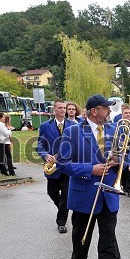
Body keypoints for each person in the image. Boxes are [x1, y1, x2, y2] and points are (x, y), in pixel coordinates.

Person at [58, 94, 128, 259]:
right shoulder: (72, 131)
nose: (109, 112)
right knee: (82, 236)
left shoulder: (112, 130)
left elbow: (125, 155)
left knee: (109, 241)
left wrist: (119, 160)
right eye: (106, 108)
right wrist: (91, 169)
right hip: (84, 195)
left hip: (108, 195)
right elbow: (62, 164)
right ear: (94, 111)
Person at [36, 100, 74, 233]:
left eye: (65, 108)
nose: (63, 110)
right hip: (52, 166)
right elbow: (40, 145)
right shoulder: (45, 126)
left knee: (65, 195)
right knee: (52, 193)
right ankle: (63, 208)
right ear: (54, 110)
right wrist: (45, 155)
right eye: (60, 108)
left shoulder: (73, 125)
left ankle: (61, 222)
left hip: (67, 167)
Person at [119, 105, 130, 198]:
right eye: (126, 113)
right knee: (123, 170)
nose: (128, 114)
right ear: (122, 114)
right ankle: (124, 187)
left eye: (129, 113)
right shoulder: (118, 124)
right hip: (121, 151)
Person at [0, 112, 15, 176]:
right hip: (5, 142)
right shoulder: (1, 125)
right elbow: (6, 133)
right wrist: (10, 130)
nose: (4, 118)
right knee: (8, 157)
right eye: (3, 117)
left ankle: (3, 171)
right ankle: (11, 171)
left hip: (0, 141)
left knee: (1, 157)